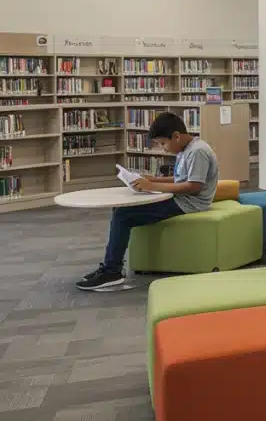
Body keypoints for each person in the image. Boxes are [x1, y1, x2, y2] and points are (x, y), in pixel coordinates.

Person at [76, 112, 219, 291]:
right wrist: (152, 180)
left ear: (176, 136)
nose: (163, 149)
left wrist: (152, 186)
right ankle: (110, 266)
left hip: (190, 203)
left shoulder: (198, 151)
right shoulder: (186, 149)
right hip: (180, 198)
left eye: (163, 143)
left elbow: (194, 186)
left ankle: (112, 271)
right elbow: (180, 179)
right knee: (121, 210)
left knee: (123, 215)